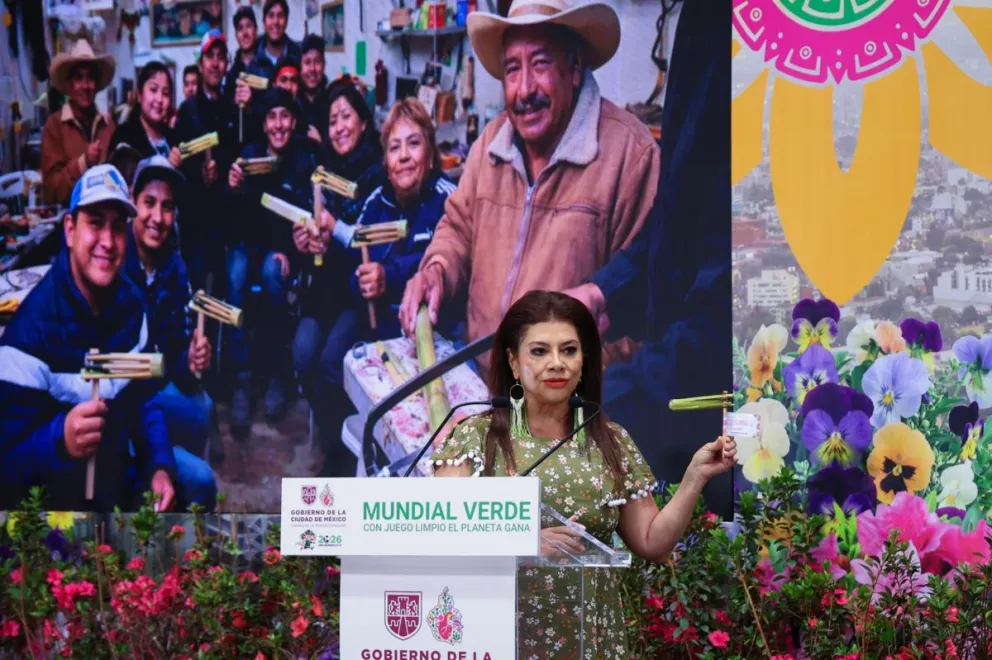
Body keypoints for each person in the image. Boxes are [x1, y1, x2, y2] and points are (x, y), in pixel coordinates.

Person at [431, 290, 736, 658]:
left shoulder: (610, 440)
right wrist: (519, 544)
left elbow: (653, 543)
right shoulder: (476, 437)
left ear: (584, 360)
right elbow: (439, 535)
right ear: (514, 362)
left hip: (591, 641)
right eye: (539, 351)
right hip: (496, 640)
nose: (557, 363)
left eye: (569, 350)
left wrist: (695, 477)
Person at [398, 0, 660, 373]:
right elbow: (457, 228)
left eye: (540, 64)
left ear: (574, 67)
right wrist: (436, 270)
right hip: (480, 380)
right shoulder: (490, 142)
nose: (523, 90)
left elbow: (640, 315)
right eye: (511, 69)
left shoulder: (630, 157)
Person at [563, 0, 733, 512]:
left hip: (739, 441)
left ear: (576, 70)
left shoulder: (769, 33)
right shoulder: (706, 18)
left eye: (542, 62)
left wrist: (592, 409)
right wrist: (605, 291)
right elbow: (683, 218)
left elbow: (736, 305)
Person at [0, 165, 178, 512]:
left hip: (115, 478)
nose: (108, 242)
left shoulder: (133, 307)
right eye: (95, 223)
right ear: (69, 230)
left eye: (117, 226)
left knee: (196, 487)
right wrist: (60, 438)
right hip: (54, 513)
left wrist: (158, 464)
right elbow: (6, 468)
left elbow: (142, 400)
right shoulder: (27, 338)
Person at [294, 98, 453, 477]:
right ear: (385, 159)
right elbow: (352, 262)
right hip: (376, 319)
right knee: (333, 365)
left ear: (430, 153)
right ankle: (343, 456)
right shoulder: (375, 202)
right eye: (394, 148)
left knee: (420, 404)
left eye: (414, 144)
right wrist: (361, 281)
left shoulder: (448, 198)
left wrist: (390, 275)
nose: (404, 157)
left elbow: (444, 257)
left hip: (432, 325)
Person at [124, 156, 221, 504]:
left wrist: (191, 360)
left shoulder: (174, 265)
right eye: (149, 203)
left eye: (167, 207)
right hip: (121, 401)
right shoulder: (114, 259)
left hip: (154, 389)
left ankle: (164, 466)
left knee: (203, 408)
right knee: (201, 476)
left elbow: (176, 350)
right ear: (132, 202)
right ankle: (158, 464)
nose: (157, 217)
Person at [226, 88, 316, 438]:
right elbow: (230, 221)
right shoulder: (247, 156)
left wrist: (290, 254)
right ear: (263, 124)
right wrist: (232, 191)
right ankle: (241, 381)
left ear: (293, 122)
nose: (278, 125)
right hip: (246, 242)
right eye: (271, 118)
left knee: (272, 272)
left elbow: (308, 218)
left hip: (279, 250)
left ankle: (279, 374)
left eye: (284, 117)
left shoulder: (303, 161)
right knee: (234, 274)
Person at [173, 29, 234, 292]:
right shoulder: (187, 111)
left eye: (221, 57)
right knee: (195, 288)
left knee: (222, 290)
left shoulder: (232, 108)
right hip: (194, 222)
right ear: (201, 64)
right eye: (210, 56)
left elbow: (235, 154)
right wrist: (200, 174)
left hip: (224, 221)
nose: (216, 63)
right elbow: (179, 163)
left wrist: (221, 172)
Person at [41, 40, 116, 206]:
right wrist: (83, 162)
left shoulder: (108, 124)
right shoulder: (54, 126)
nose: (85, 86)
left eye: (90, 78)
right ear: (69, 85)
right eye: (78, 78)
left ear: (96, 85)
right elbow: (51, 190)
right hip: (69, 220)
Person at [109, 61, 177, 160]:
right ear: (139, 95)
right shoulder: (124, 137)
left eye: (165, 93)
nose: (159, 99)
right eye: (153, 90)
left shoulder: (173, 137)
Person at [247, 0, 301, 81]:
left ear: (286, 21)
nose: (275, 21)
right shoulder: (253, 60)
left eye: (280, 16)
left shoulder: (298, 55)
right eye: (271, 15)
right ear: (264, 22)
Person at [299, 34, 330, 146]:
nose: (312, 69)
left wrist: (321, 144)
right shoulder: (293, 100)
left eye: (317, 62)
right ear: (300, 67)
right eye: (307, 63)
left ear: (324, 65)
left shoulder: (331, 99)